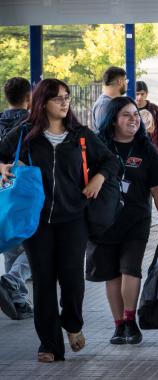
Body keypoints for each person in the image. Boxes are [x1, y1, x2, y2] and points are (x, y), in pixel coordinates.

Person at [0, 78, 118, 363]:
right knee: (42, 282)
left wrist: (98, 180)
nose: (65, 102)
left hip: (73, 218)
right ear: (42, 102)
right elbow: (1, 156)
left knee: (72, 280)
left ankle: (73, 323)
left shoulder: (80, 134)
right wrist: (4, 166)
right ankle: (49, 345)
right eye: (58, 98)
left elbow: (111, 161)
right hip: (36, 221)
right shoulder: (25, 133)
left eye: (66, 97)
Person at [87, 96, 158, 345]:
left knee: (130, 269)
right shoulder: (98, 146)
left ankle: (130, 320)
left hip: (136, 221)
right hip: (103, 223)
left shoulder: (146, 149)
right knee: (112, 274)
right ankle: (118, 325)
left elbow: (157, 188)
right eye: (126, 115)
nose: (133, 119)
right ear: (113, 120)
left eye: (135, 115)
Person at [0, 77, 34, 320]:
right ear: (29, 97)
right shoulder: (31, 123)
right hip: (25, 187)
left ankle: (18, 299)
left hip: (2, 188)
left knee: (11, 241)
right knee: (36, 242)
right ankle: (13, 280)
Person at [135, 81, 158, 160]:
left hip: (151, 150)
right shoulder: (129, 109)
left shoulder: (155, 109)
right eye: (137, 94)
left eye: (142, 94)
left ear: (147, 93)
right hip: (134, 151)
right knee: (135, 171)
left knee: (152, 172)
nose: (139, 97)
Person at [92, 66, 128, 132]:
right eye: (126, 80)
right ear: (120, 82)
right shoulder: (104, 105)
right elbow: (104, 136)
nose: (127, 83)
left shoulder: (111, 102)